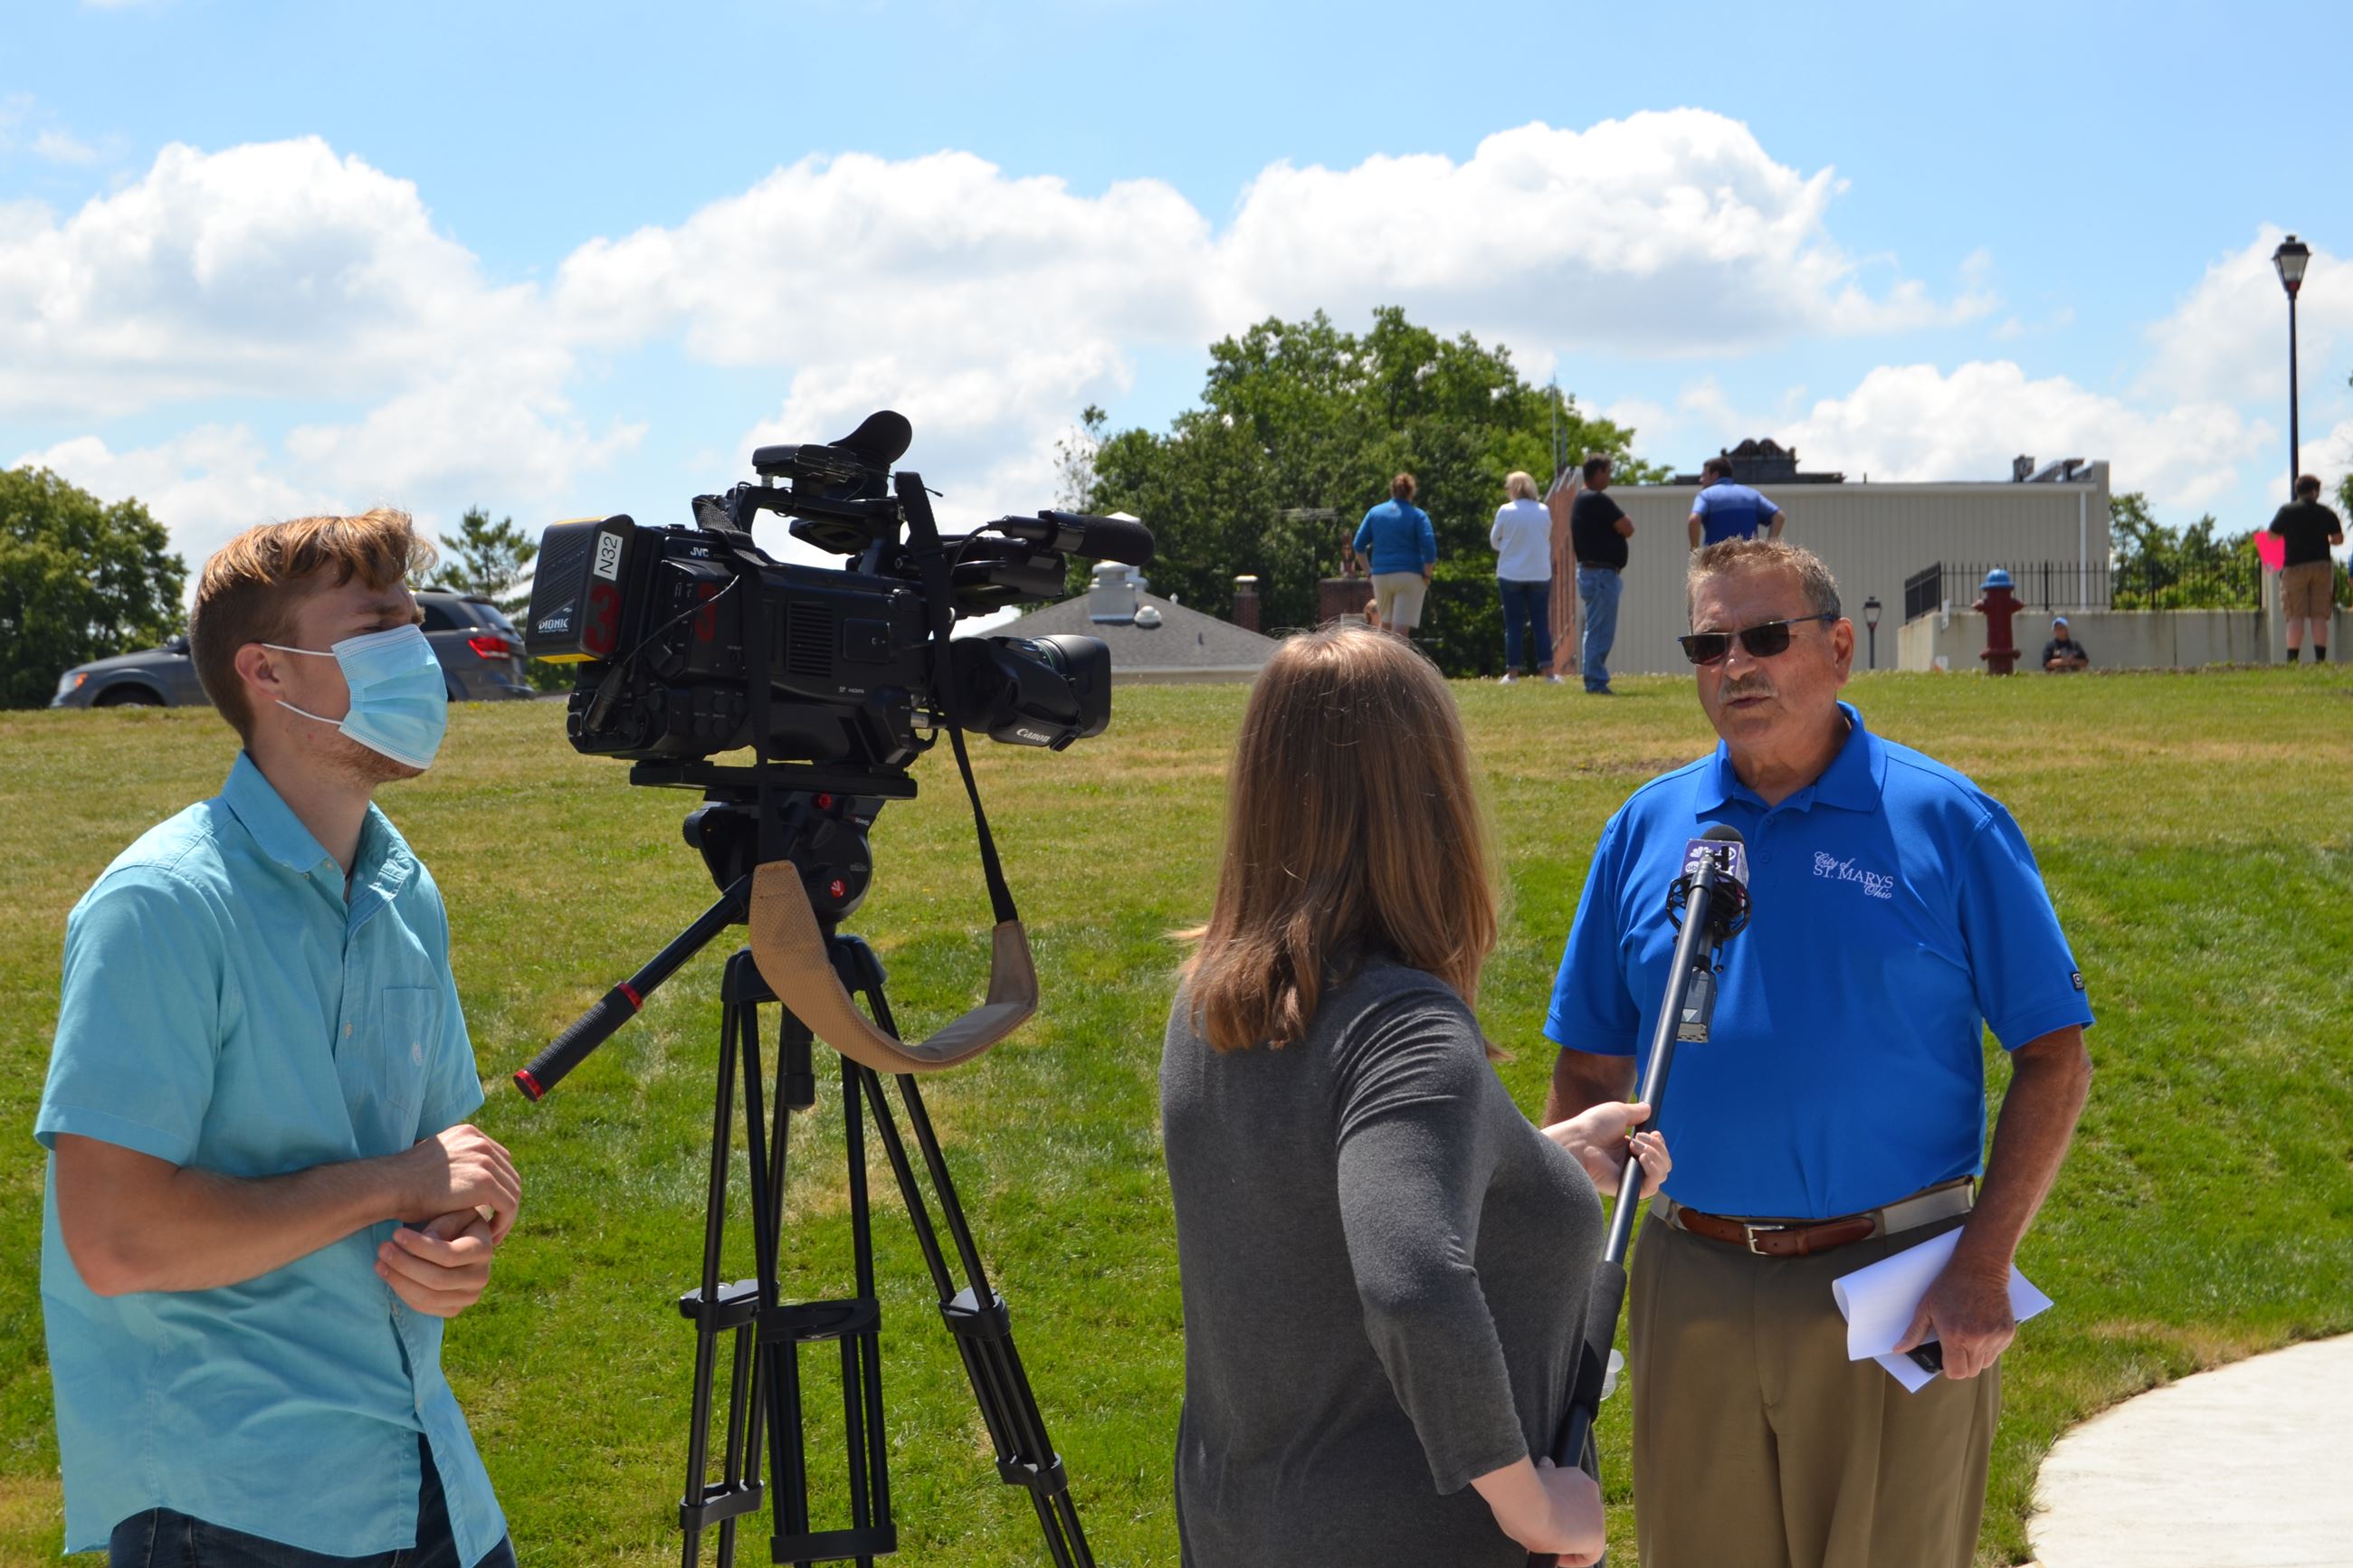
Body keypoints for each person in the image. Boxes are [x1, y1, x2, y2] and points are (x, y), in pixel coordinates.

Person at [1541, 538, 2094, 1568]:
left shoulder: (1946, 820)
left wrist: (1984, 1260)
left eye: (1762, 636)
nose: (1733, 665)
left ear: (1838, 648)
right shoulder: (1645, 827)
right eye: (1708, 643)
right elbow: (1585, 1069)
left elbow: (2054, 1057)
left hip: (1896, 1282)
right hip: (1689, 1271)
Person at [36, 509, 522, 1568]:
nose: (418, 654)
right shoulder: (160, 904)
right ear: (269, 671)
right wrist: (397, 1183)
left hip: (425, 1470)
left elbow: (439, 1144)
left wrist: (469, 1222)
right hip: (233, 1506)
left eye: (416, 623)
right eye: (380, 627)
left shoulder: (402, 889)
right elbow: (116, 1241)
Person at [1162, 625, 1670, 1568]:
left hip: (1242, 1522)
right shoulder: (1403, 1025)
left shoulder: (1213, 1002)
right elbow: (1411, 1280)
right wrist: (1531, 1504)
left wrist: (1536, 1159)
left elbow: (1312, 1197)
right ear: (1427, 801)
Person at [1569, 455, 1634, 695]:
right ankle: (1595, 681)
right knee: (1600, 629)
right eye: (1608, 471)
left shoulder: (1582, 499)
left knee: (1596, 628)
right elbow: (1628, 527)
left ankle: (1594, 678)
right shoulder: (1595, 499)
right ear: (1597, 473)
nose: (1610, 476)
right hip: (1601, 576)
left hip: (1592, 574)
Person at [1490, 470, 1560, 682]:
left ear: (1513, 488)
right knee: (1541, 623)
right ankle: (1549, 673)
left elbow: (1494, 541)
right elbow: (1546, 537)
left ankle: (1513, 674)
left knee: (1513, 624)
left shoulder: (1506, 511)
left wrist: (1510, 548)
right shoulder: (1543, 510)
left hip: (1511, 573)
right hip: (1539, 572)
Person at [1350, 472, 1437, 640]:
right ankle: (1396, 666)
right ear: (1411, 492)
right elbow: (1430, 549)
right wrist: (1427, 574)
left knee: (1385, 628)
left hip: (1381, 576)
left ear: (1392, 490)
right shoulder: (1418, 515)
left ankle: (1380, 665)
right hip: (1409, 576)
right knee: (1400, 632)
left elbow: (1358, 545)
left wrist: (1369, 572)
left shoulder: (1375, 513)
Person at [2268, 475, 2345, 662]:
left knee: (2295, 615)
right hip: (2321, 566)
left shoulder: (2287, 511)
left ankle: (2292, 659)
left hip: (2295, 566)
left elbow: (2271, 535)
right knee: (2319, 615)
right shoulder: (2326, 512)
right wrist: (2325, 539)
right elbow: (2338, 539)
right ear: (2315, 491)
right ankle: (2320, 659)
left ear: (2298, 491)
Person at [1686, 455, 1786, 551]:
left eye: (1704, 475)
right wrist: (1769, 547)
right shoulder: (1752, 495)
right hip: (1748, 563)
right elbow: (1779, 516)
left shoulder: (1706, 495)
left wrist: (1694, 549)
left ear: (1715, 475)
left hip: (1718, 563)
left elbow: (1694, 519)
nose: (1701, 480)